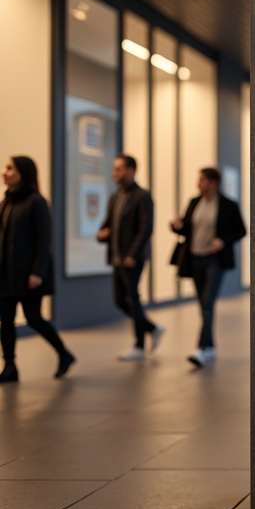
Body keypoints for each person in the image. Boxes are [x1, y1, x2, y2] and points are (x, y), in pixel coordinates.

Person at [0, 156, 75, 381]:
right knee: (6, 320)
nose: (5, 172)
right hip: (5, 273)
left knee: (34, 319)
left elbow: (44, 240)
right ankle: (10, 365)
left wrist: (38, 272)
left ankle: (64, 353)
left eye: (10, 168)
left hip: (28, 274)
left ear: (23, 173)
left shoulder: (36, 201)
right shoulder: (6, 202)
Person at [170, 167, 247, 368]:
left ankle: (202, 349)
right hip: (195, 258)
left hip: (215, 260)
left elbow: (241, 230)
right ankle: (211, 347)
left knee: (207, 302)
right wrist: (177, 227)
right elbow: (187, 228)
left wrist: (223, 240)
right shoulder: (194, 202)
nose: (199, 184)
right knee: (203, 304)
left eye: (202, 180)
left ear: (213, 183)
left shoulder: (228, 205)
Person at [96, 154, 163, 361]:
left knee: (133, 299)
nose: (114, 173)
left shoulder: (142, 196)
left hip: (132, 258)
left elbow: (146, 228)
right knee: (120, 300)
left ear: (131, 170)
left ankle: (139, 345)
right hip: (117, 257)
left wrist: (133, 254)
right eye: (114, 169)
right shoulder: (115, 197)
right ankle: (152, 328)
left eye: (118, 169)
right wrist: (101, 234)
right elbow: (107, 224)